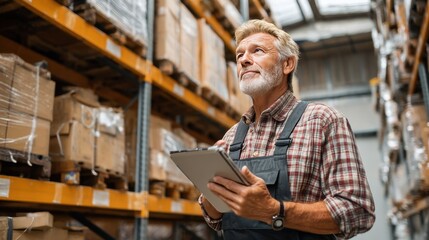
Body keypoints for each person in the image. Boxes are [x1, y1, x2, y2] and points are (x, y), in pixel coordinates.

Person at [197, 19, 375, 239]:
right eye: (239, 55)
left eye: (257, 51)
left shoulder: (322, 121)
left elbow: (358, 211)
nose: (243, 60)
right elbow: (215, 219)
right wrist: (210, 187)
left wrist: (274, 211)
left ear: (287, 64)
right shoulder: (233, 135)